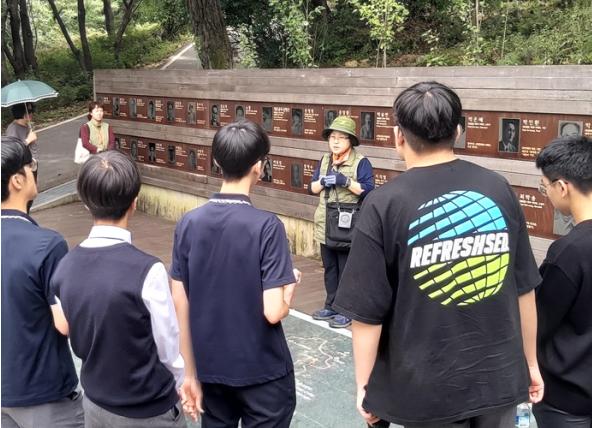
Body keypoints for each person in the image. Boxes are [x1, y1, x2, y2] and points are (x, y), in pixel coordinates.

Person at [333, 82, 544, 427]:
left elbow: (367, 312)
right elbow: (524, 288)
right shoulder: (497, 188)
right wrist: (530, 363)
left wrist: (364, 385)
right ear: (458, 131)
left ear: (398, 136)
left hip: (426, 389)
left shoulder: (384, 204)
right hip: (499, 378)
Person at [50, 151, 200, 427]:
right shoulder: (148, 270)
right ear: (134, 203)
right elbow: (168, 348)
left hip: (95, 405)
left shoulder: (64, 267)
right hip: (149, 410)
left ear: (85, 203)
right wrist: (182, 382)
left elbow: (73, 328)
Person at [171, 119, 301, 428]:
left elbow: (180, 303)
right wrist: (289, 288)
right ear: (259, 166)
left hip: (211, 370)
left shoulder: (188, 223)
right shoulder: (267, 226)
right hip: (263, 373)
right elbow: (273, 311)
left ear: (216, 162)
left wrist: (189, 373)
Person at [1, 137, 84, 428]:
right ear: (17, 180)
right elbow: (65, 322)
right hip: (45, 394)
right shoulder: (47, 244)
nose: (35, 170)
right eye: (31, 165)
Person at [533, 136, 592, 428]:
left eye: (544, 187)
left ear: (562, 187)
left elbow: (541, 321)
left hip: (567, 399)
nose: (546, 194)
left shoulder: (570, 251)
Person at [309, 116, 374, 328]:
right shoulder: (324, 160)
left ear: (351, 141)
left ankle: (346, 310)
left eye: (341, 137)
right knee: (330, 269)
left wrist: (345, 181)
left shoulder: (361, 162)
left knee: (347, 270)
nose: (335, 142)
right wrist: (323, 181)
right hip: (325, 224)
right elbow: (312, 188)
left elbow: (368, 190)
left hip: (347, 226)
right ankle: (331, 306)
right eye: (332, 137)